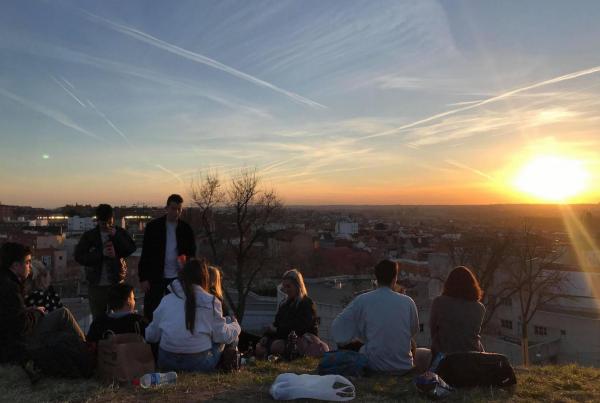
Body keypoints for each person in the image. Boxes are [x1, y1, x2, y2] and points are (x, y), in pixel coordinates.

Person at [0, 242, 87, 378]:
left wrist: (28, 310)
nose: (29, 267)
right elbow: (20, 325)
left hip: (11, 340)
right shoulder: (10, 287)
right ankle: (87, 351)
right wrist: (35, 313)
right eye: (27, 262)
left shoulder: (6, 282)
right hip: (18, 343)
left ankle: (83, 351)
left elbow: (10, 315)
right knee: (63, 314)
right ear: (15, 266)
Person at [331, 260, 429, 374]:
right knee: (412, 343)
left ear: (376, 278)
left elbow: (337, 328)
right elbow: (413, 330)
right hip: (404, 366)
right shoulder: (407, 302)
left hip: (374, 366)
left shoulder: (363, 300)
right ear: (395, 278)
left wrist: (358, 335)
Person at [145, 258, 241, 372]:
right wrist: (236, 326)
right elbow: (222, 336)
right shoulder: (211, 301)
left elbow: (151, 335)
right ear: (204, 278)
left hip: (166, 363)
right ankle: (231, 364)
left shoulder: (167, 300)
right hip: (198, 364)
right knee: (230, 323)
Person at [138, 194, 196, 320]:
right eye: (173, 208)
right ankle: (151, 336)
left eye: (179, 209)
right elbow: (146, 254)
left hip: (178, 277)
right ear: (167, 208)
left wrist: (187, 270)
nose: (176, 212)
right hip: (156, 275)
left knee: (177, 311)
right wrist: (143, 278)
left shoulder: (186, 229)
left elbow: (192, 253)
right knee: (152, 310)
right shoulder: (153, 227)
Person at [75, 204, 137, 319]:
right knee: (99, 319)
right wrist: (101, 254)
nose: (107, 225)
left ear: (112, 219)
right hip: (96, 285)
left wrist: (116, 238)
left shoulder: (119, 232)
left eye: (109, 222)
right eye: (103, 223)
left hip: (116, 283)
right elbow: (79, 256)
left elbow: (131, 248)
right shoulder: (90, 236)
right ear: (97, 220)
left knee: (120, 318)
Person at [255, 269, 328, 359]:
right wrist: (266, 335)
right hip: (284, 336)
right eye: (284, 287)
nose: (286, 290)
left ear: (297, 286)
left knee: (277, 345)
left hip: (302, 340)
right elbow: (276, 323)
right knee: (259, 346)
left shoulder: (307, 303)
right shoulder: (284, 304)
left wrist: (277, 330)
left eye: (288, 286)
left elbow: (300, 328)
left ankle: (281, 355)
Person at [429, 266, 485, 359]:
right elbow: (470, 334)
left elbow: (433, 332)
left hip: (445, 358)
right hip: (472, 357)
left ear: (449, 284)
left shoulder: (439, 302)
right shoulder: (479, 308)